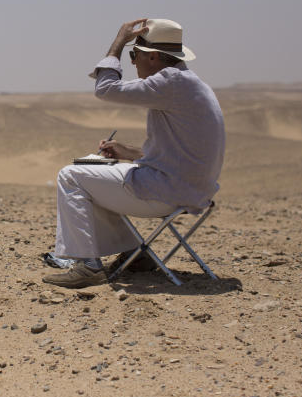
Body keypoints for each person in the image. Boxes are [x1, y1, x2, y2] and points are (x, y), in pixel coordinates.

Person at [42, 18, 225, 288]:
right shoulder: (192, 84)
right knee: (100, 174)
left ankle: (87, 266)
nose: (132, 62)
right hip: (191, 189)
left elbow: (105, 89)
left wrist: (119, 41)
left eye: (133, 55)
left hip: (170, 192)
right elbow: (181, 155)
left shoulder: (170, 82)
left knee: (71, 176)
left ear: (152, 57)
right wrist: (128, 151)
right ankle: (136, 255)